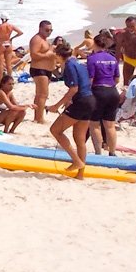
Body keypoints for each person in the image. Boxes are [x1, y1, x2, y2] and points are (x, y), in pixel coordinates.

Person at [47, 40, 95, 179]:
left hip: (81, 101)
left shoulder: (69, 65)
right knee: (79, 139)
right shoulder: (77, 63)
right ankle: (80, 174)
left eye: (55, 55)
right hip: (89, 100)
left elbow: (74, 88)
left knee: (55, 130)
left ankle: (76, 161)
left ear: (59, 55)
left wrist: (57, 105)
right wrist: (69, 100)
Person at [86, 32, 121, 157]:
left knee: (94, 124)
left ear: (95, 44)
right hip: (112, 92)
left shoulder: (91, 59)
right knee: (110, 125)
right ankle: (112, 152)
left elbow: (90, 80)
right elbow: (117, 79)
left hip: (98, 91)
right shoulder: (112, 59)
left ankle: (98, 152)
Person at [27, 20, 56, 124]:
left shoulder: (45, 40)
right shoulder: (37, 39)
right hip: (39, 69)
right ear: (40, 28)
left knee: (39, 95)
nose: (49, 32)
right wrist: (47, 55)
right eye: (47, 30)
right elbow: (34, 55)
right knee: (43, 95)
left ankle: (37, 117)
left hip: (46, 70)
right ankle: (40, 118)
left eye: (51, 30)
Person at [0, 15, 21, 80]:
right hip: (8, 44)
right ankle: (10, 79)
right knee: (9, 64)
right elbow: (20, 32)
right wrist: (12, 38)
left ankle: (1, 81)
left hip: (1, 44)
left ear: (1, 19)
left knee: (0, 65)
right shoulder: (11, 26)